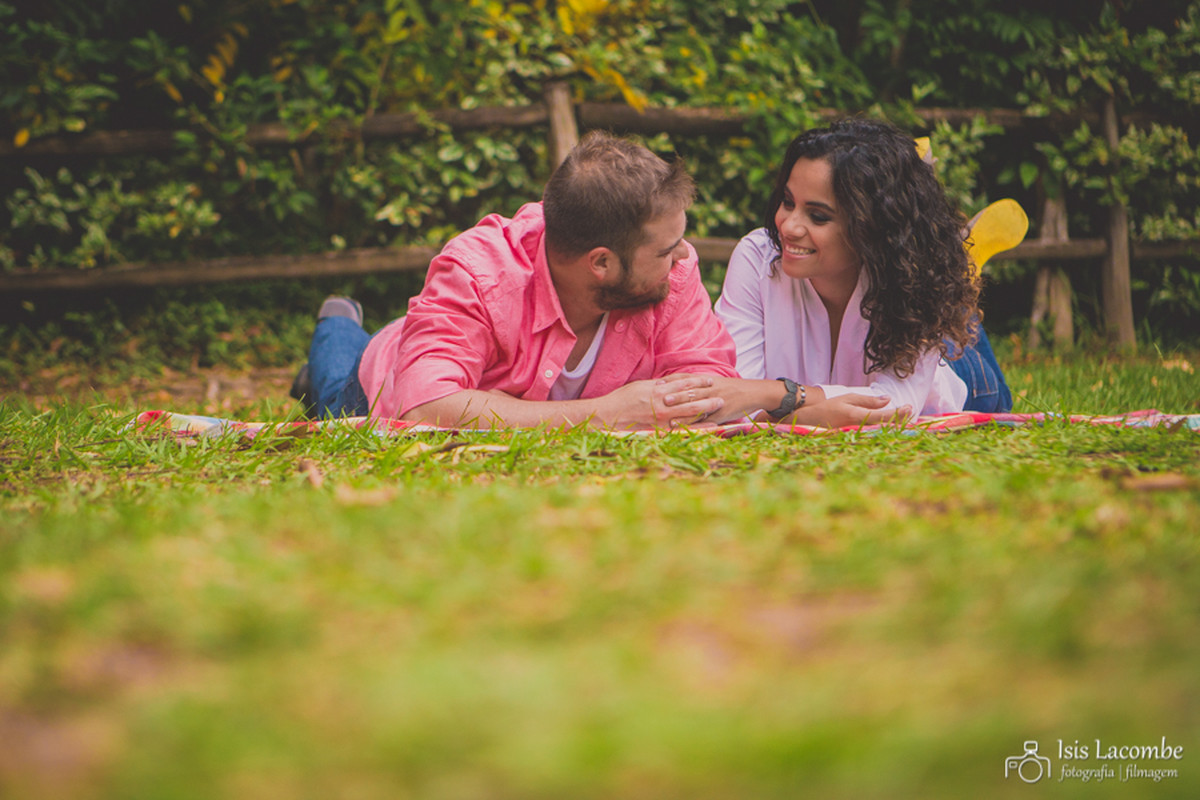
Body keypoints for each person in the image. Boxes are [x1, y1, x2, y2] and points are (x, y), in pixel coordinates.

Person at [292, 130, 744, 430]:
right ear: (601, 263)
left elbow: (709, 381)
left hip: (446, 340)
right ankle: (336, 322)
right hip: (381, 376)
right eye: (666, 250)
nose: (684, 255)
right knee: (331, 385)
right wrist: (607, 414)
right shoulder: (477, 271)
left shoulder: (673, 270)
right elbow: (425, 406)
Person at [689, 118, 1012, 426]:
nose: (787, 226)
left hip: (953, 373)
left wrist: (775, 394)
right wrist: (803, 411)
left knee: (951, 301)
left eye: (818, 216)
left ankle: (960, 257)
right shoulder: (758, 256)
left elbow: (897, 405)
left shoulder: (916, 277)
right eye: (788, 202)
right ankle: (946, 237)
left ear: (872, 228)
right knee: (938, 272)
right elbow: (733, 395)